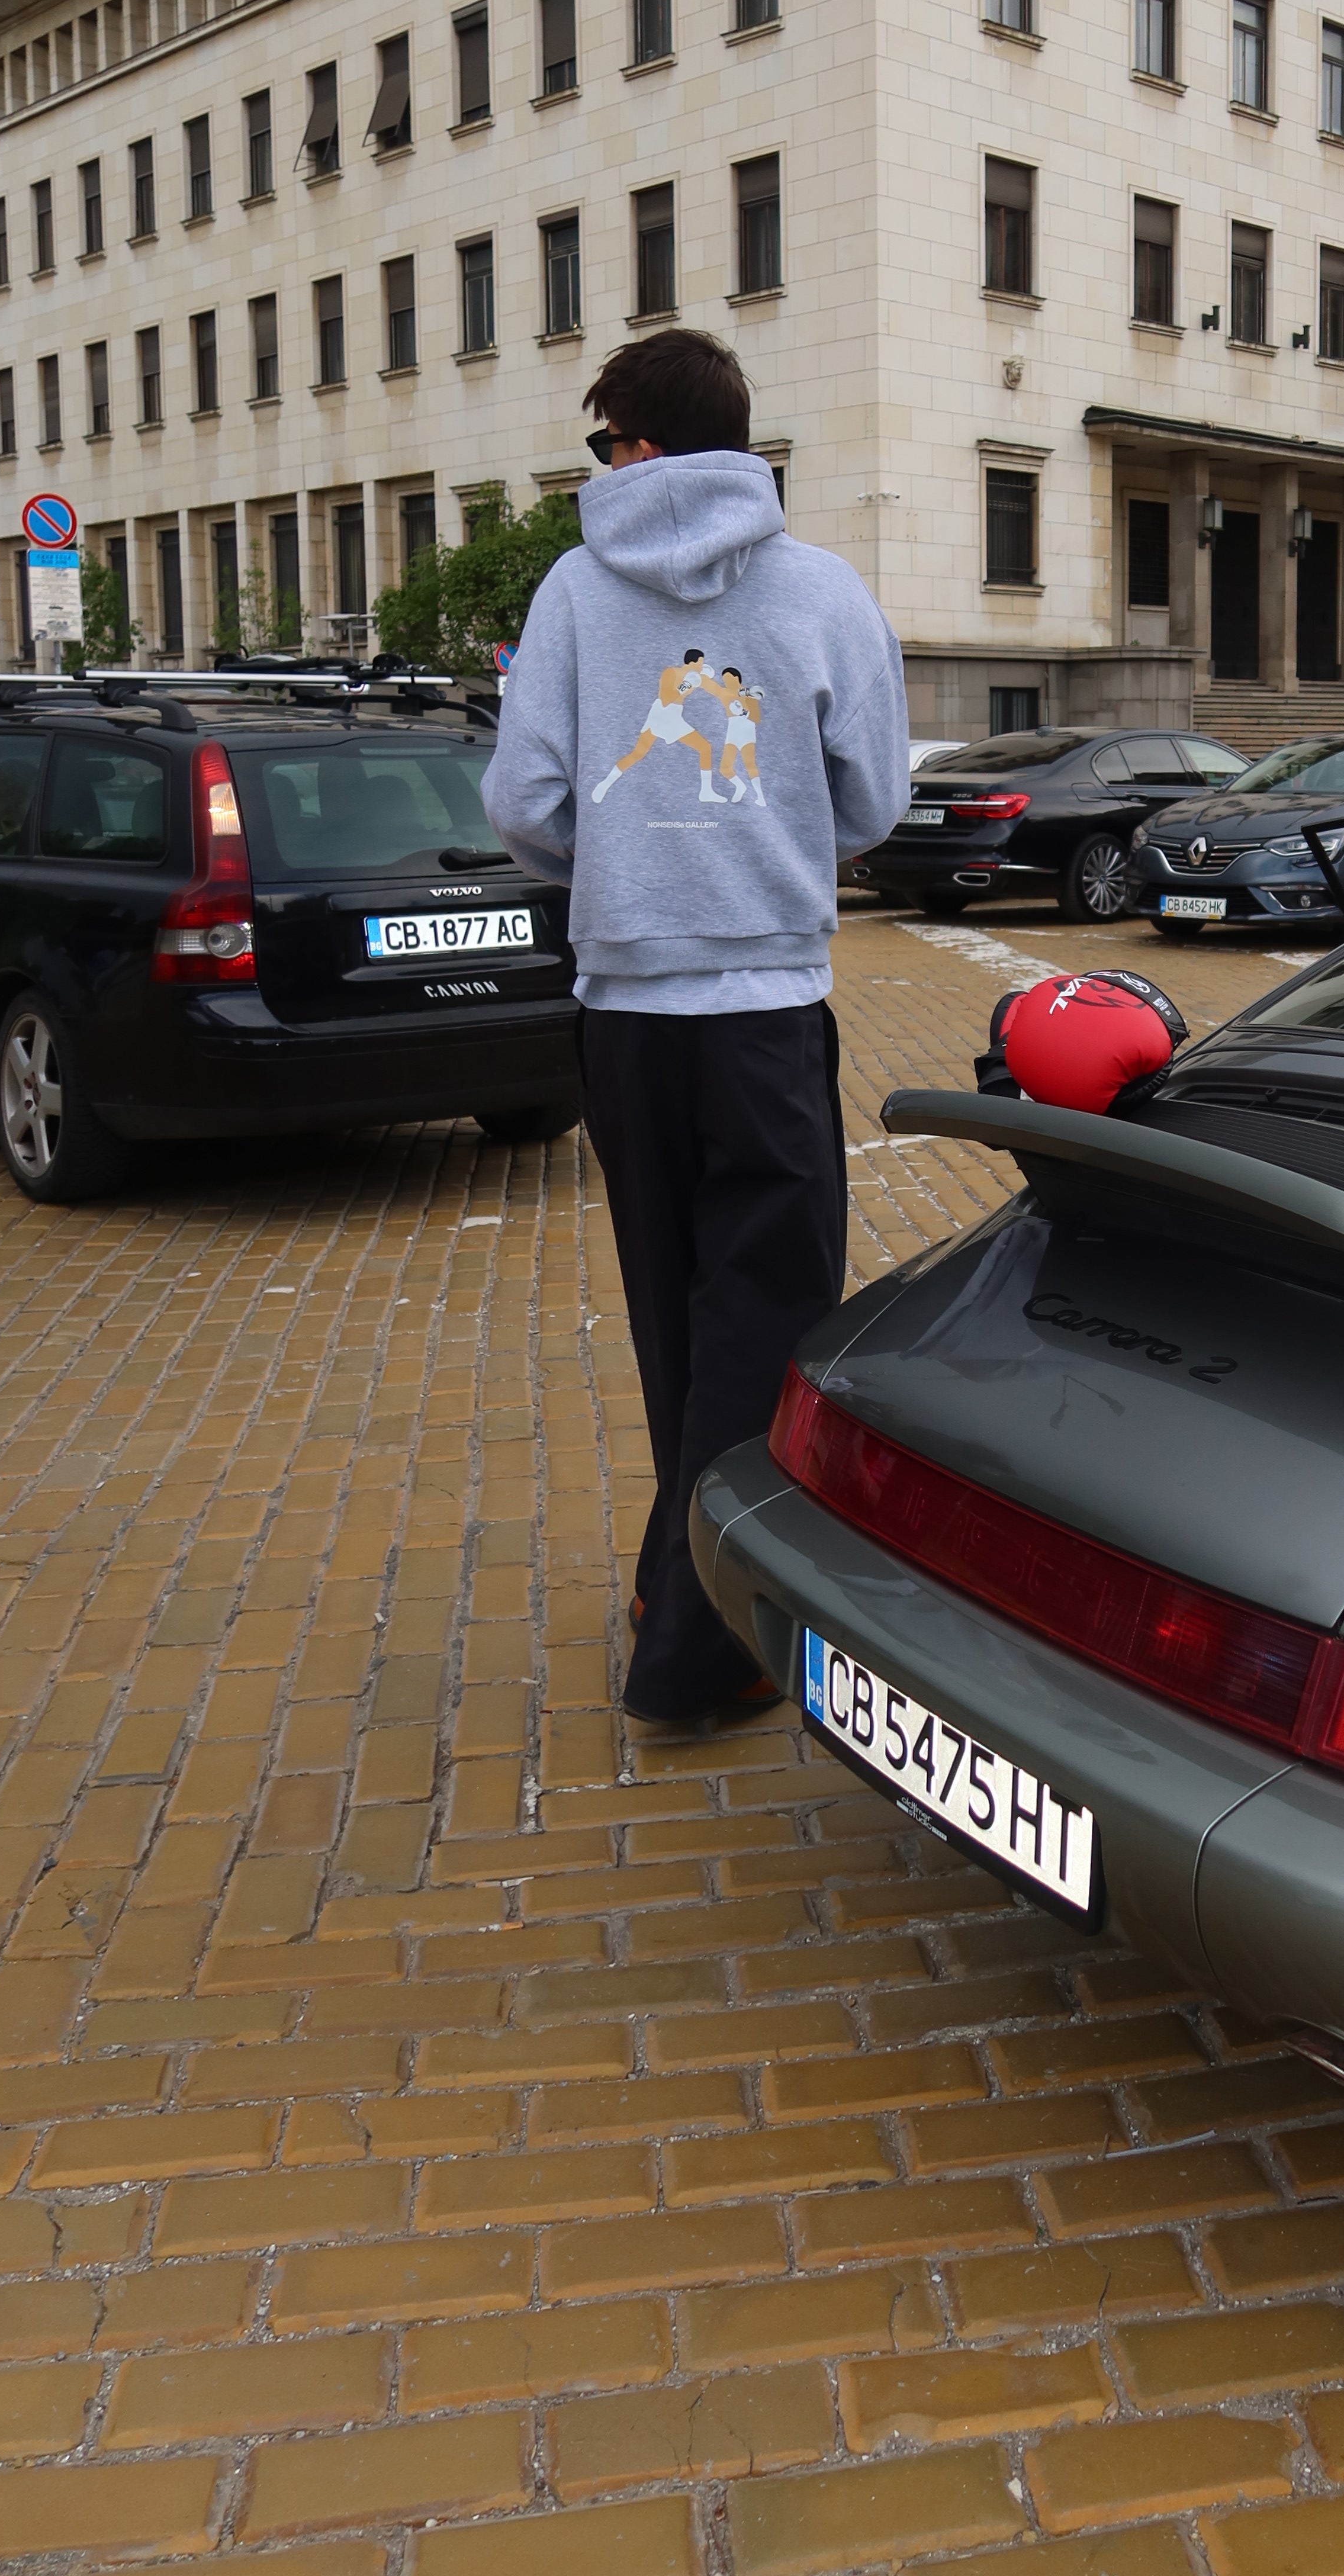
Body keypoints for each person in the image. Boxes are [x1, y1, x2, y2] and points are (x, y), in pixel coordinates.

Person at [484, 327, 910, 1724]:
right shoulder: (822, 588)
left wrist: (617, 871)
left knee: (680, 1315)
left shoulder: (570, 592)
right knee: (771, 1321)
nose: (597, 469)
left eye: (604, 445)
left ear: (644, 447)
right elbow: (878, 799)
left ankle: (684, 1580)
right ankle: (700, 1645)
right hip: (768, 1014)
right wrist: (779, 856)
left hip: (626, 1017)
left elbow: (524, 802)